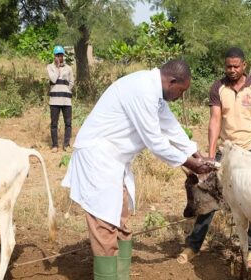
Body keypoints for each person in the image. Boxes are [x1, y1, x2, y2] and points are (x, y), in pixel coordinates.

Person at [61, 59, 214, 280]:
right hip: (97, 159)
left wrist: (196, 153)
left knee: (120, 218)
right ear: (171, 81)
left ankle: (120, 275)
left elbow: (170, 127)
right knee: (105, 225)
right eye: (181, 91)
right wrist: (191, 164)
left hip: (115, 162)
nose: (181, 97)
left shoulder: (155, 94)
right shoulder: (142, 91)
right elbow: (155, 141)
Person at [177, 47, 251, 268]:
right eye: (228, 66)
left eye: (236, 66)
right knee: (209, 199)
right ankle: (193, 246)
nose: (232, 70)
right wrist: (210, 153)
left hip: (249, 152)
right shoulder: (218, 87)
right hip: (225, 152)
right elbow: (215, 120)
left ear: (244, 65)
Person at [46, 45, 74, 153]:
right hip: (54, 101)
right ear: (54, 56)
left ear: (63, 55)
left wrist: (66, 90)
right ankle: (55, 145)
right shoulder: (50, 67)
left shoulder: (69, 68)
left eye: (61, 55)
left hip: (66, 101)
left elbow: (72, 82)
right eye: (57, 55)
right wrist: (57, 68)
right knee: (54, 123)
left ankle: (66, 145)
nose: (59, 57)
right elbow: (53, 79)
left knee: (68, 123)